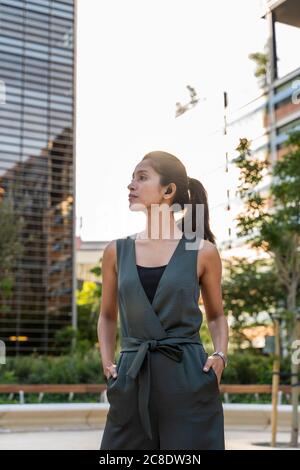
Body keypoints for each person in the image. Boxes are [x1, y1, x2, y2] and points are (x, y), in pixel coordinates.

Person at [98, 150, 229, 450]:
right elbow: (107, 316)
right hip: (132, 378)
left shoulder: (203, 251)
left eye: (142, 177)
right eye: (132, 178)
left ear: (168, 191)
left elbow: (216, 316)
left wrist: (220, 355)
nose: (131, 185)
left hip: (189, 379)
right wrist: (107, 364)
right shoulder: (115, 251)